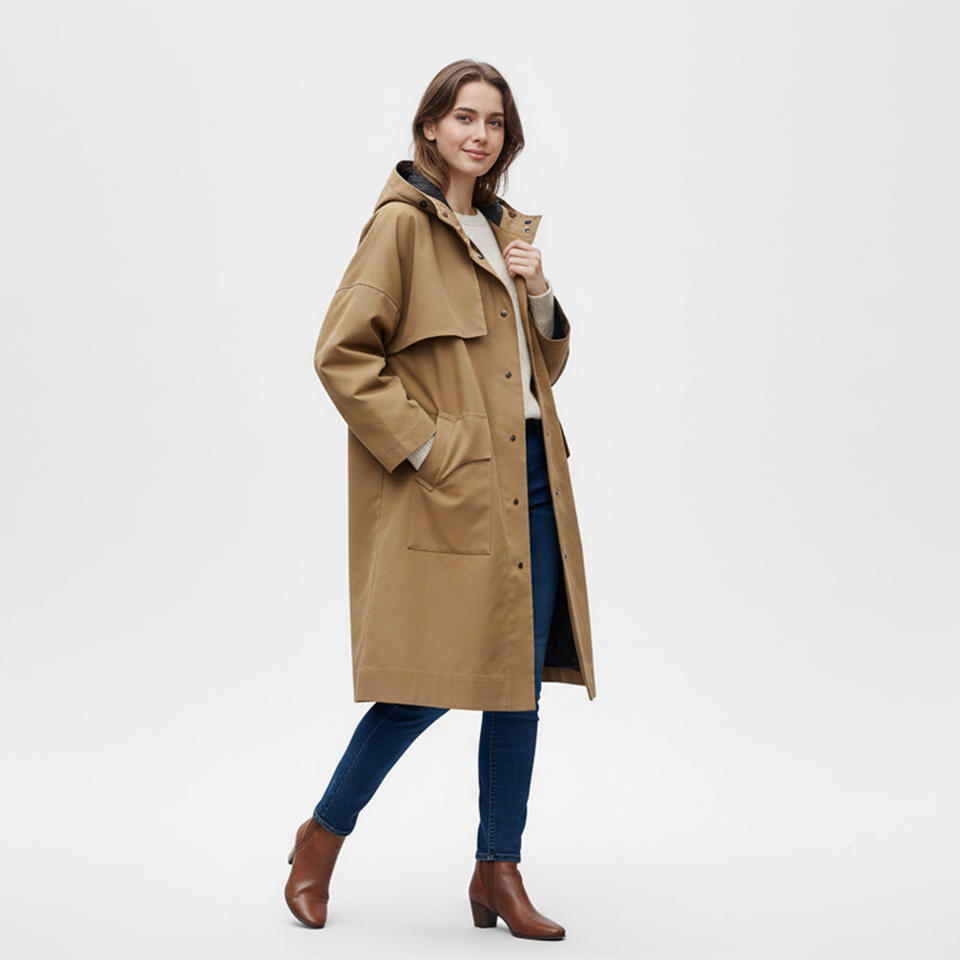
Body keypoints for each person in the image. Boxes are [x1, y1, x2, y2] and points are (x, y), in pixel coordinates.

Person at [285, 59, 597, 941]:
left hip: (532, 479)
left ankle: (498, 869)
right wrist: (427, 446)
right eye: (464, 117)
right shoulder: (402, 228)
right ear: (430, 126)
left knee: (517, 688)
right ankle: (320, 839)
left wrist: (539, 293)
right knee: (423, 687)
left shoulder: (503, 231)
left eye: (494, 122)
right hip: (456, 486)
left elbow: (537, 373)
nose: (479, 134)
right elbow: (341, 354)